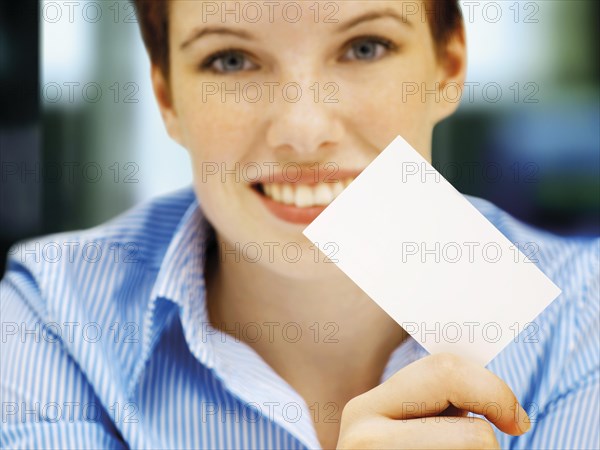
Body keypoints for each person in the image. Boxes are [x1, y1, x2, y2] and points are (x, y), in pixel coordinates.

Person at [1, 1, 598, 449]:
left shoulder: (584, 324)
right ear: (168, 99)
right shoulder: (50, 322)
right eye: (231, 59)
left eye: (364, 47)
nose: (304, 129)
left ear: (447, 68)